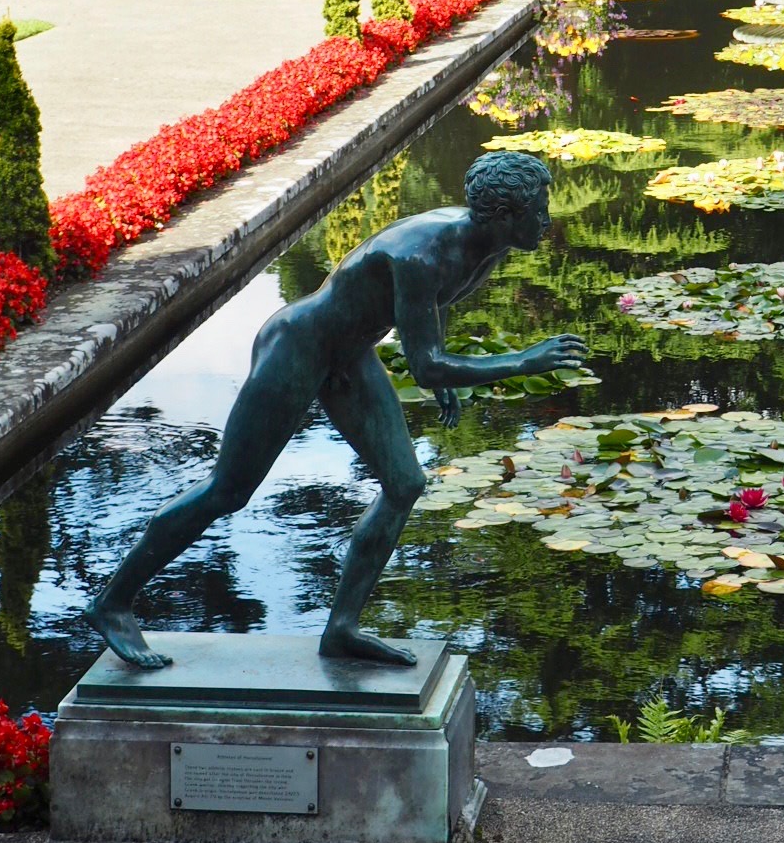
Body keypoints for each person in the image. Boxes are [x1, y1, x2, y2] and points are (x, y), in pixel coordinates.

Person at [88, 149, 587, 671]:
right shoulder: (424, 254)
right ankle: (113, 602)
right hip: (299, 346)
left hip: (350, 350)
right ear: (506, 215)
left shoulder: (485, 246)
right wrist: (522, 360)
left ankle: (342, 628)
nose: (547, 221)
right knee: (228, 490)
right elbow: (428, 366)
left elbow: (426, 322)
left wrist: (437, 360)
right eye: (540, 211)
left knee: (405, 484)